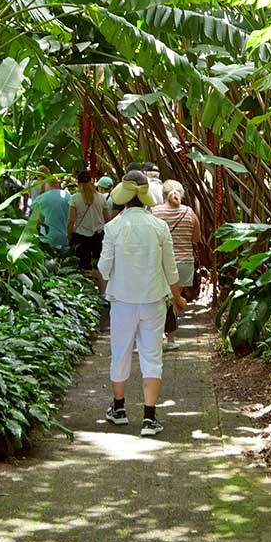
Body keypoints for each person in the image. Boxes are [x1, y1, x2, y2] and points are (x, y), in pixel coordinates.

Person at [99, 171, 184, 437]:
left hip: (122, 300)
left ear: (124, 198)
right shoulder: (159, 227)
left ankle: (120, 409)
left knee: (120, 352)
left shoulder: (113, 227)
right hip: (153, 301)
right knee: (151, 355)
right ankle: (149, 418)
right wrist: (178, 297)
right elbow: (171, 269)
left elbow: (103, 268)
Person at [151, 180, 201, 350]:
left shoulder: (154, 212)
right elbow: (196, 239)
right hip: (184, 262)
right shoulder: (189, 212)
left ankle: (158, 337)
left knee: (160, 299)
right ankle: (171, 339)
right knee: (174, 299)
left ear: (163, 195)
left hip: (161, 262)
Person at [66, 169, 109, 278]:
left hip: (81, 236)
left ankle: (85, 288)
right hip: (98, 236)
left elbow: (71, 220)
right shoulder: (101, 198)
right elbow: (107, 218)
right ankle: (98, 286)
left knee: (83, 266)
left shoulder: (75, 198)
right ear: (91, 181)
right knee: (98, 264)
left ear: (78, 183)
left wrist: (69, 235)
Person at [26, 175, 70, 256]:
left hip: (47, 238)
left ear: (47, 185)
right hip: (65, 237)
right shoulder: (68, 196)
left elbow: (34, 213)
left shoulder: (42, 198)